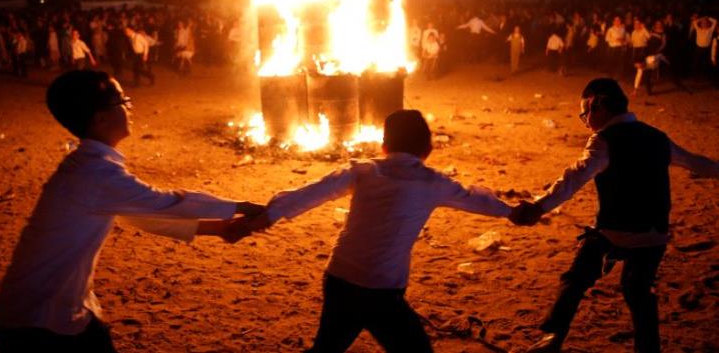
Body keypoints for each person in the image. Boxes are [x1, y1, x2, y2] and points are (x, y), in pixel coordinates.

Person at [0, 70, 264, 353]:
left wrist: (217, 229)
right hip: (36, 322)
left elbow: (139, 216)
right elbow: (168, 203)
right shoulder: (95, 174)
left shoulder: (88, 167)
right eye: (123, 101)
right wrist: (240, 206)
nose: (129, 108)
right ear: (100, 118)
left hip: (63, 309)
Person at [240, 109, 514, 352]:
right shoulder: (434, 183)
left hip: (340, 278)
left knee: (328, 346)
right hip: (381, 289)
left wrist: (268, 215)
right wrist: (512, 211)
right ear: (428, 149)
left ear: (384, 146)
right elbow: (476, 198)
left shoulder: (362, 170)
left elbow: (311, 192)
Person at [510, 78, 719, 353]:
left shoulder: (604, 141)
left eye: (585, 113)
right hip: (654, 234)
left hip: (613, 230)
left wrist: (538, 207)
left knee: (575, 279)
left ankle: (552, 339)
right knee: (637, 290)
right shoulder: (657, 137)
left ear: (599, 104)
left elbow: (573, 179)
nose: (585, 121)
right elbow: (696, 163)